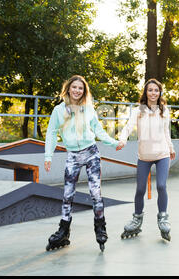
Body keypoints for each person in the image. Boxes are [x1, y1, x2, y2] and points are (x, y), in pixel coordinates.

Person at [44, 75, 121, 251]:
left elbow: (98, 130)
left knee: (95, 191)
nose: (77, 91)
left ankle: (100, 227)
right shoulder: (59, 110)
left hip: (91, 153)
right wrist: (48, 156)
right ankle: (63, 230)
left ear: (84, 91)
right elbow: (51, 133)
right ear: (68, 89)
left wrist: (114, 143)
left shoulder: (88, 109)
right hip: (72, 155)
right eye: (74, 87)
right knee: (68, 195)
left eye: (81, 88)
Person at [117, 78, 175, 241]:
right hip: (144, 156)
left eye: (156, 90)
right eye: (150, 90)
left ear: (160, 93)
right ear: (145, 92)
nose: (153, 93)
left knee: (162, 186)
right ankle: (137, 220)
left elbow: (166, 131)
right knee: (140, 189)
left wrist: (170, 148)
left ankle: (163, 218)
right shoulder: (138, 110)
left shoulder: (164, 110)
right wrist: (123, 139)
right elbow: (128, 127)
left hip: (162, 154)